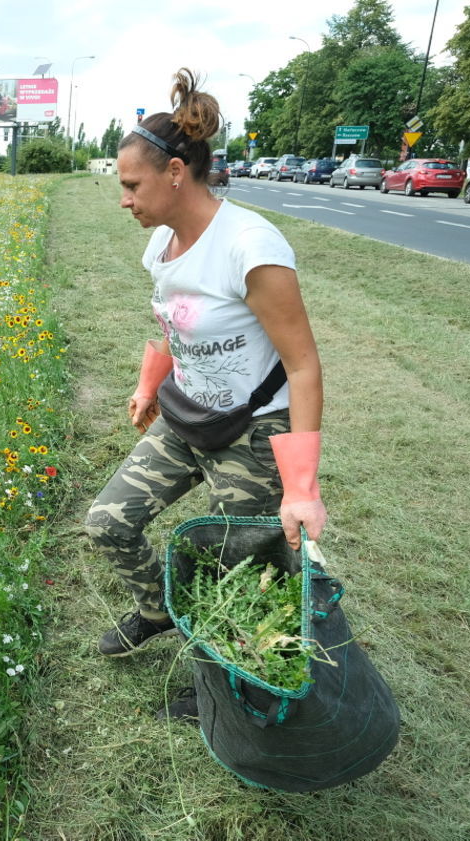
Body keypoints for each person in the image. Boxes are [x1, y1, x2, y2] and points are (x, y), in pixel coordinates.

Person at [83, 69, 327, 713]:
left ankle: (223, 685)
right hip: (187, 417)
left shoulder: (249, 246)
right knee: (108, 523)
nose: (125, 199)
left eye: (131, 185)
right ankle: (156, 612)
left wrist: (301, 487)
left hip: (254, 432)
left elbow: (304, 366)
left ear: (174, 174)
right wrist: (146, 387)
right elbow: (167, 321)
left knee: (235, 571)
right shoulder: (162, 244)